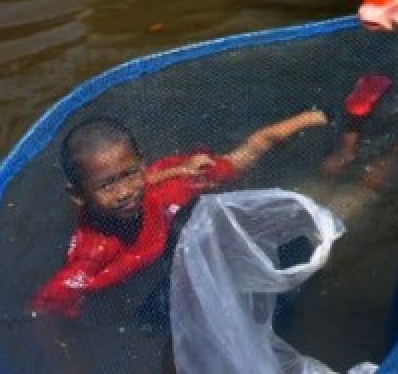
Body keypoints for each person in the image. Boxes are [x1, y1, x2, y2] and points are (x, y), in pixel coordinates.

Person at [31, 109, 327, 317]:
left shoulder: (172, 190)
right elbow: (44, 310)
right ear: (78, 196)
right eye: (106, 186)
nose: (123, 193)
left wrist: (308, 119)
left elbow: (251, 149)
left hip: (168, 196)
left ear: (143, 166)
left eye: (129, 175)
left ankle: (310, 117)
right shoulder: (96, 254)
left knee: (234, 165)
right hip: (153, 264)